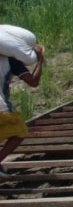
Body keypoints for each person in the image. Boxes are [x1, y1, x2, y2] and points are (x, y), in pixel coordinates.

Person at [0, 42, 44, 177]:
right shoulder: (10, 61)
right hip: (2, 107)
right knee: (20, 132)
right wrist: (40, 59)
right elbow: (33, 81)